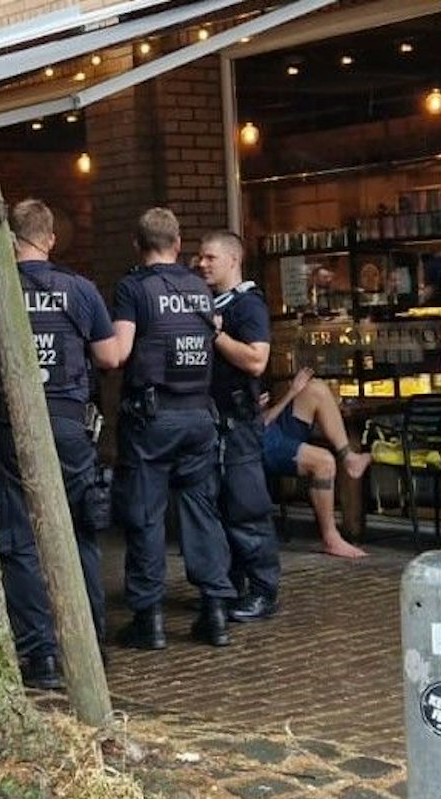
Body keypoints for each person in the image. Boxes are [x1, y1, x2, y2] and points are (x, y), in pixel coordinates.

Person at [0, 200, 116, 689]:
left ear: (10, 241)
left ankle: (42, 656)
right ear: (50, 238)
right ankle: (91, 641)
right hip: (70, 424)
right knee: (80, 532)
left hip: (10, 427)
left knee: (20, 541)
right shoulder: (80, 290)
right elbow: (111, 355)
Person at [107, 207, 234, 650]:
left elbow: (120, 352)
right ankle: (215, 612)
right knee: (202, 513)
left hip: (152, 416)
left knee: (145, 514)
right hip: (200, 415)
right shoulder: (200, 288)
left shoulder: (133, 288)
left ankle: (149, 620)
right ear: (179, 245)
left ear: (136, 245)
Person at [195, 231, 281, 623]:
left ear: (233, 260)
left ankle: (263, 591)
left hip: (238, 424)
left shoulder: (248, 306)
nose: (202, 263)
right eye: (200, 257)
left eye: (211, 257)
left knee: (247, 507)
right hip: (216, 422)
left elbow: (256, 361)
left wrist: (216, 335)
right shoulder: (215, 303)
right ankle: (234, 586)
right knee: (222, 508)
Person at [261, 368, 371, 559]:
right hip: (259, 442)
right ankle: (331, 538)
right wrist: (292, 392)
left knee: (317, 389)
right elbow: (258, 424)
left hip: (271, 428)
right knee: (324, 461)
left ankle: (349, 457)